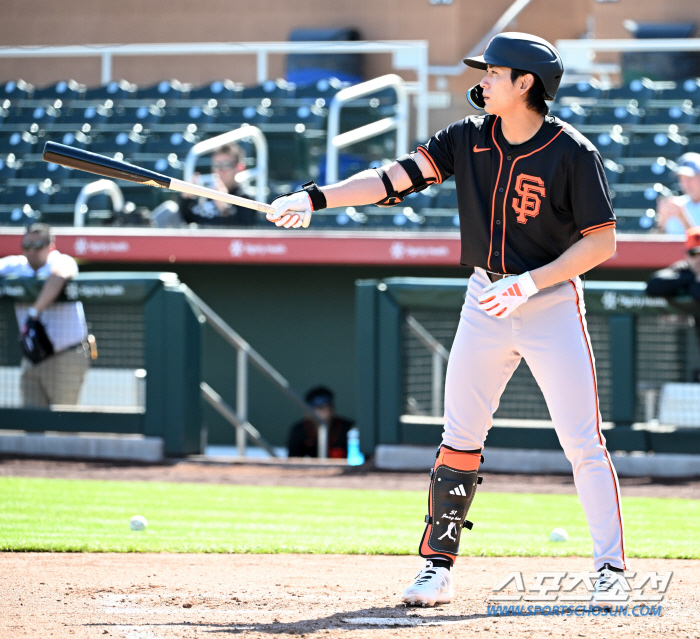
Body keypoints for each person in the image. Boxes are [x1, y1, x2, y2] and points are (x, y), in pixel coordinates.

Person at [267, 32, 625, 608]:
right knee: (458, 439)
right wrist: (315, 199)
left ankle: (610, 568)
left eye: (493, 72)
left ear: (526, 82)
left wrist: (529, 283)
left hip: (548, 301)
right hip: (485, 297)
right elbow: (392, 177)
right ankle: (437, 566)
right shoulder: (465, 138)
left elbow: (602, 243)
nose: (481, 80)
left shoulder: (572, 151)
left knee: (583, 442)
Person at [0, 223, 90, 407]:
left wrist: (34, 312)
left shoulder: (61, 261)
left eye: (38, 246)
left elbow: (60, 274)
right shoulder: (16, 265)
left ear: (51, 247)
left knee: (63, 422)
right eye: (27, 246)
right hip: (33, 356)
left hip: (66, 355)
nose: (32, 251)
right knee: (31, 421)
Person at [178, 143, 257, 227]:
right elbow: (186, 221)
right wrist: (186, 198)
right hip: (195, 239)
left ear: (240, 167)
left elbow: (241, 234)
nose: (220, 170)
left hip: (218, 239)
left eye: (226, 165)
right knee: (169, 209)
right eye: (216, 165)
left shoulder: (245, 200)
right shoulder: (206, 193)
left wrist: (225, 209)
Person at [287, 386, 354, 458]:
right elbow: (294, 461)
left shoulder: (348, 429)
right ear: (307, 412)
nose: (327, 412)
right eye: (320, 408)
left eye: (329, 407)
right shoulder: (299, 431)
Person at [656, 152, 700, 234]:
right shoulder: (676, 204)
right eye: (682, 179)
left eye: (690, 178)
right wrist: (662, 222)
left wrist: (682, 218)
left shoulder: (678, 209)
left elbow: (697, 245)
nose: (686, 184)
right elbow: (653, 246)